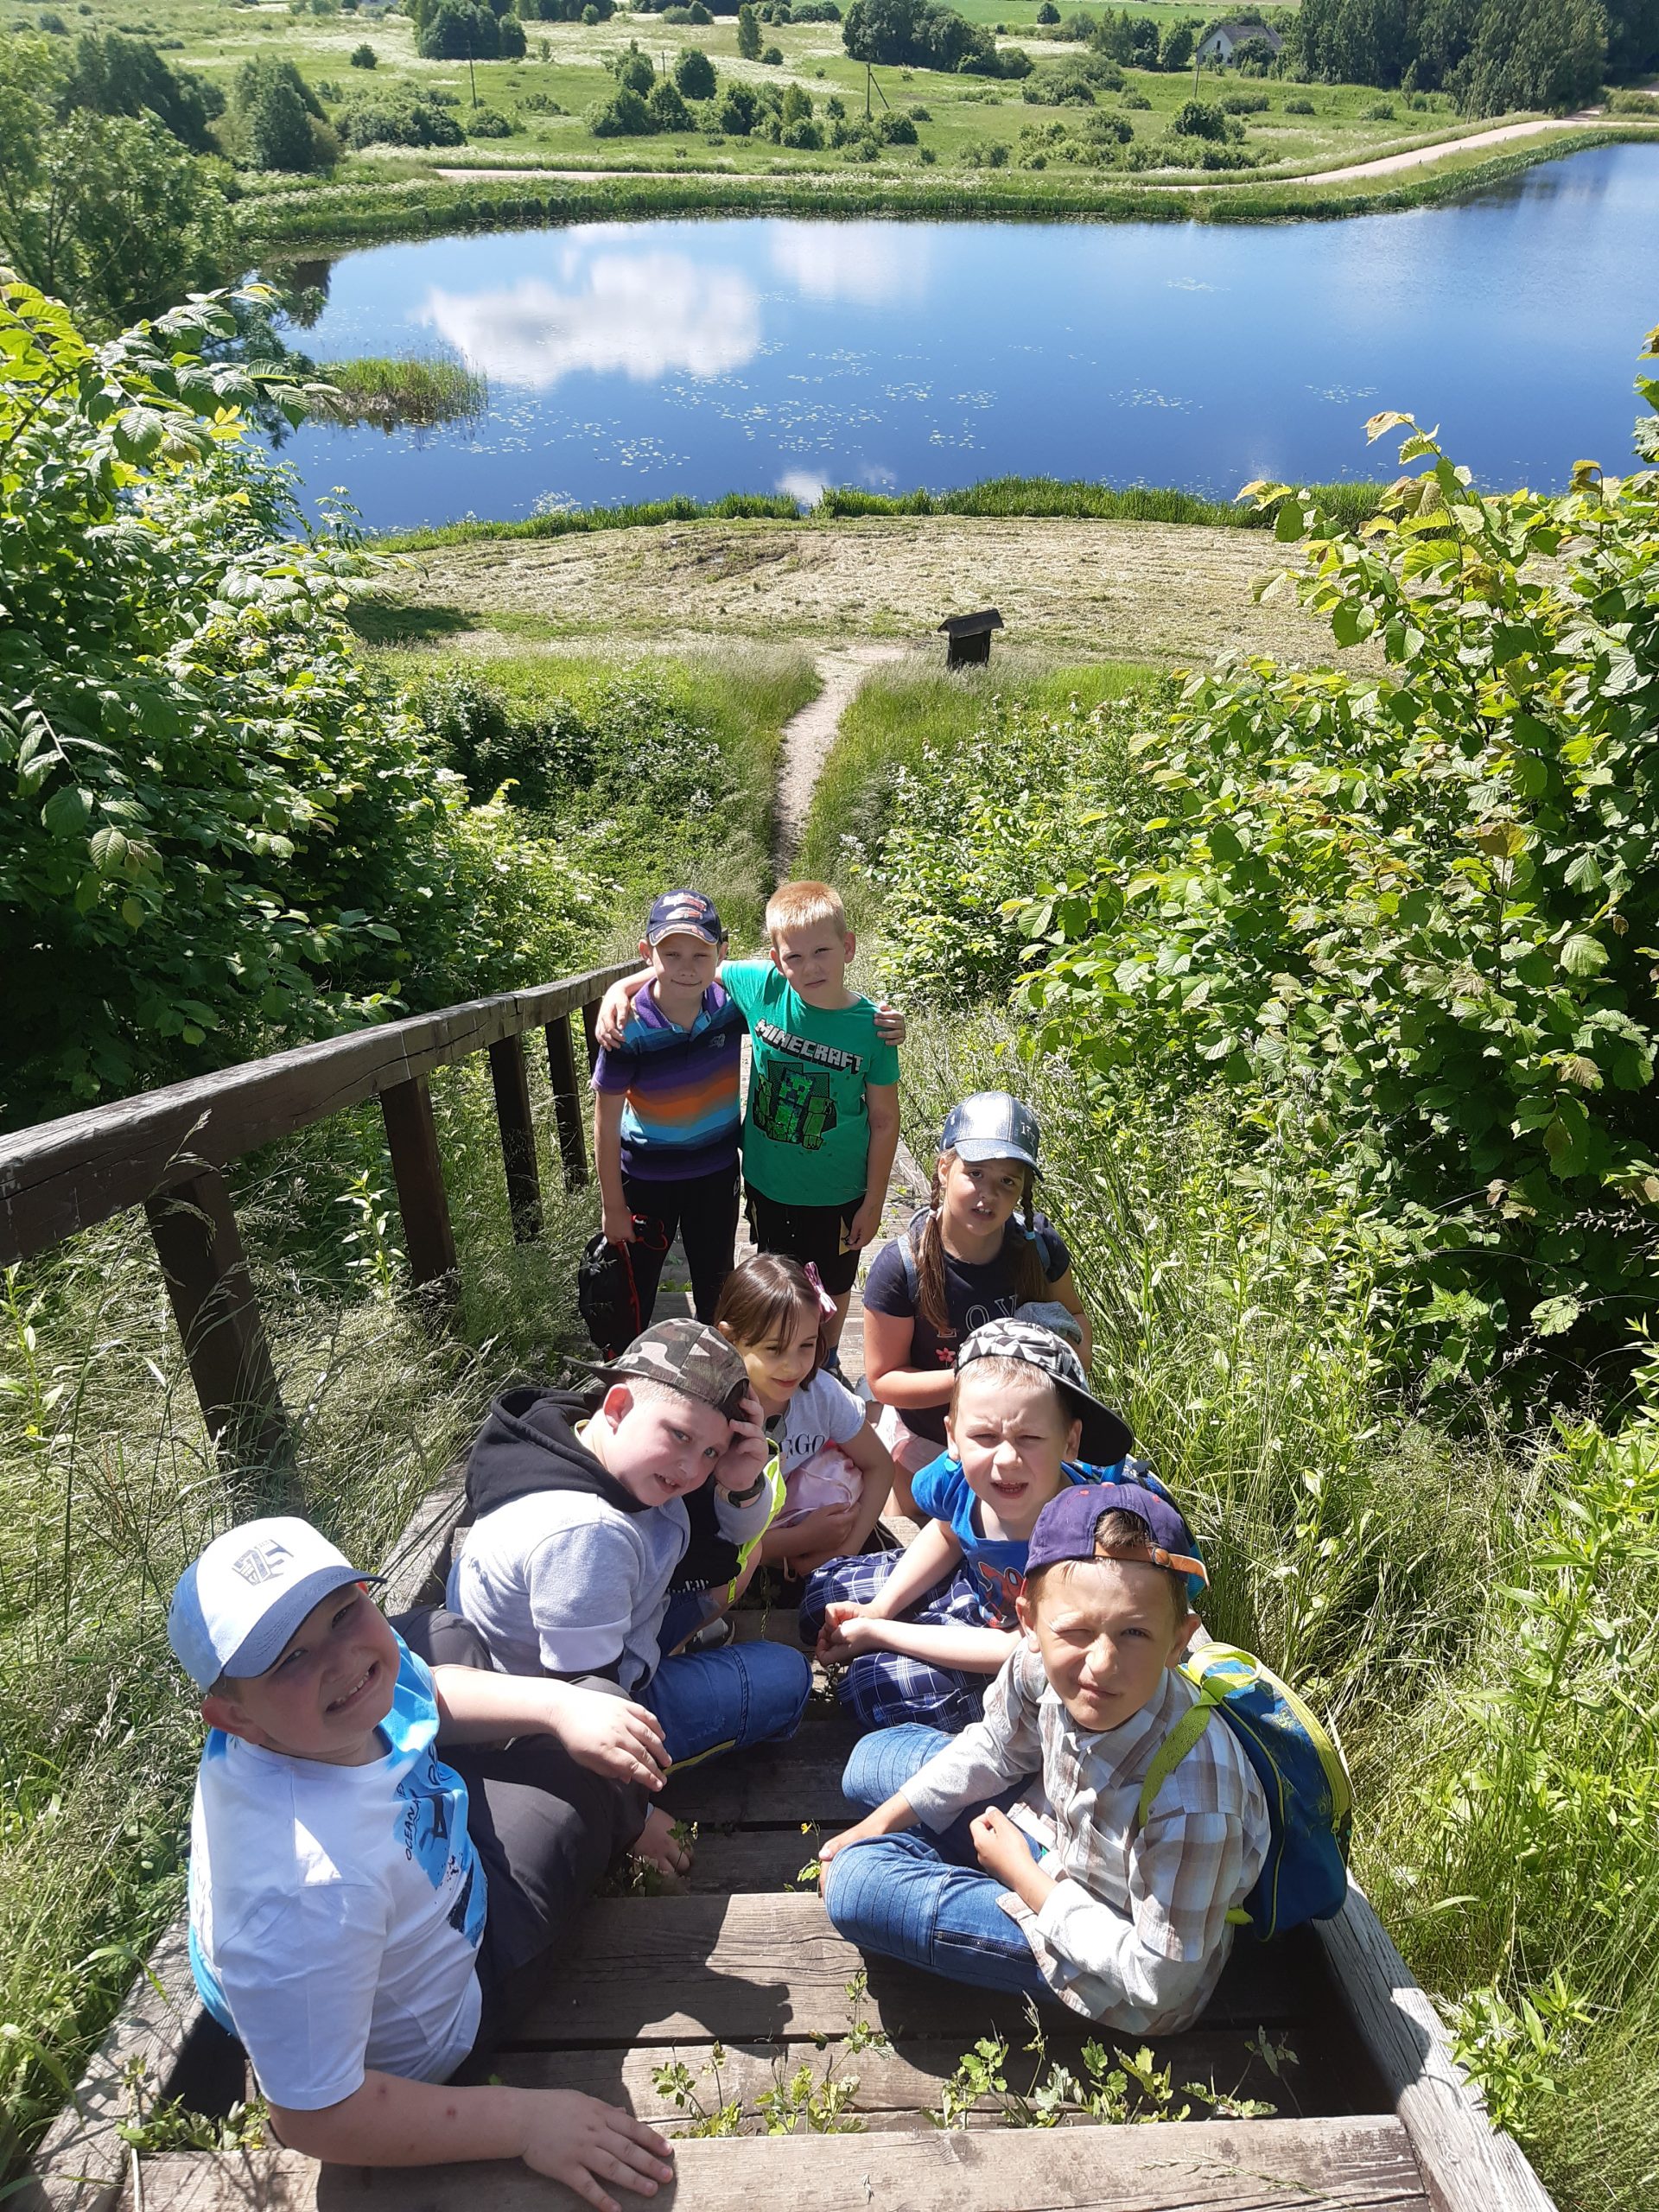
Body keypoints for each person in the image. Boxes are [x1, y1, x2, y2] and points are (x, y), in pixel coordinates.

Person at [169, 1515, 675, 2203]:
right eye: (291, 1658)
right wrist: (527, 2122)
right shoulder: (305, 1892)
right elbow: (313, 2118)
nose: (341, 1659)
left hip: (392, 1893)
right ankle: (610, 1811)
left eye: (343, 1612)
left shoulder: (290, 1720)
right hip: (445, 2008)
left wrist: (557, 1706)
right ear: (233, 1718)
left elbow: (416, 1683)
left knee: (446, 1634)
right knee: (601, 1720)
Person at [818, 1483, 1270, 2036]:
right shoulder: (1039, 1664)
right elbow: (996, 1746)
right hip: (1058, 1830)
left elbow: (1162, 1981)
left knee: (856, 1883)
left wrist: (1022, 1875)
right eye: (1076, 1631)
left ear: (1179, 1641)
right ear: (1028, 1623)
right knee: (869, 1763)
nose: (1101, 1664)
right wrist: (878, 1823)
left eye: (1134, 1633)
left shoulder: (1195, 1800)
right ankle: (933, 1857)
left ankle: (944, 1870)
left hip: (1114, 1950)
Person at [448, 1319, 812, 1770]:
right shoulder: (587, 1535)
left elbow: (736, 1537)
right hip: (554, 1714)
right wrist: (631, 1802)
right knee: (788, 1676)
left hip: (608, 1621)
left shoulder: (582, 1434)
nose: (690, 1470)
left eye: (711, 1453)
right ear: (618, 1405)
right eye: (680, 1435)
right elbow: (591, 1706)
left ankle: (664, 1652)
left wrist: (741, 1484)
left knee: (733, 1571)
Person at [798, 1319, 1147, 1733]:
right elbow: (947, 1533)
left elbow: (1016, 1647)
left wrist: (881, 1631)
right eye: (984, 1436)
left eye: (1030, 1438)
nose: (1006, 1459)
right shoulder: (963, 1478)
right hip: (972, 1586)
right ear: (953, 1436)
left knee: (871, 1686)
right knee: (822, 1593)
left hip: (1020, 1650)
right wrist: (880, 1608)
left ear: (1069, 1442)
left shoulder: (1080, 1537)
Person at [597, 880, 901, 1355]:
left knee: (828, 1280)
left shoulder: (869, 1027)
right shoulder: (760, 986)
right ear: (777, 959)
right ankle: (757, 1358)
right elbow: (684, 968)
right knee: (769, 1278)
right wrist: (619, 988)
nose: (809, 966)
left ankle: (821, 1363)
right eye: (794, 956)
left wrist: (875, 1200)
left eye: (822, 951)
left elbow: (884, 1119)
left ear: (848, 947)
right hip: (760, 1180)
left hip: (832, 1186)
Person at [861, 1092, 1090, 1514]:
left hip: (1021, 1449)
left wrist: (1062, 1368)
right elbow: (884, 1379)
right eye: (976, 1173)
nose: (989, 1194)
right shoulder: (901, 1267)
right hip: (929, 1445)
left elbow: (1075, 1318)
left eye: (1008, 1182)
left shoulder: (1038, 1247)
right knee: (920, 1532)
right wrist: (982, 1374)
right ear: (944, 1168)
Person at [590, 890, 746, 1329]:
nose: (687, 967)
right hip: (645, 1179)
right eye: (672, 954)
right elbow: (605, 1120)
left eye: (701, 954)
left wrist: (872, 1022)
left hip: (715, 1175)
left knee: (717, 1283)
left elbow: (793, 984)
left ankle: (716, 1366)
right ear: (647, 952)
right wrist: (612, 1206)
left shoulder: (732, 1005)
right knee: (634, 1285)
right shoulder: (627, 1026)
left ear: (722, 954)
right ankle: (627, 1365)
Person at [713, 1251, 898, 1581]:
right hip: (731, 1557)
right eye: (774, 1349)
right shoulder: (710, 1414)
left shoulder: (821, 1394)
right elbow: (707, 1534)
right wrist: (801, 1539)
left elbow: (880, 1466)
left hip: (812, 1537)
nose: (794, 1366)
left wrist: (845, 1551)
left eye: (806, 1345)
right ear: (730, 1339)